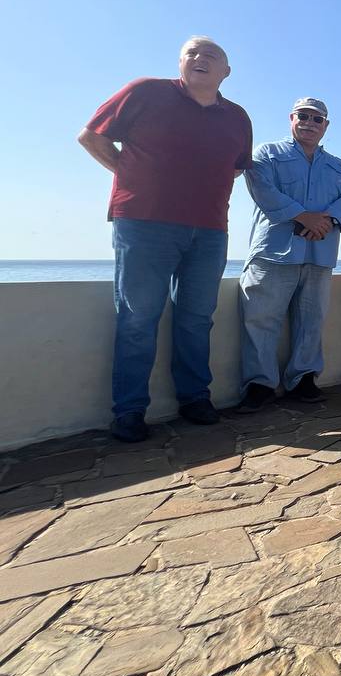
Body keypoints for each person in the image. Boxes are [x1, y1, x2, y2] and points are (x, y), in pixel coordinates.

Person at [78, 36, 253, 442]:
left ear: (226, 72)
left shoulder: (238, 117)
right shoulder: (146, 92)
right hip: (144, 223)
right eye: (192, 53)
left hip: (210, 230)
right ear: (179, 63)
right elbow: (91, 137)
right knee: (138, 316)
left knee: (197, 317)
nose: (200, 59)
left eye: (211, 55)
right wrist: (133, 175)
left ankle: (194, 398)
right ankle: (129, 411)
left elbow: (238, 168)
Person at [237, 98, 341, 412]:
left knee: (311, 320)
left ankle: (303, 378)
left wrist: (327, 221)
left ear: (325, 126)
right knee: (261, 320)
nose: (310, 123)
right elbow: (263, 190)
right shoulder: (266, 154)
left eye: (317, 119)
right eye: (303, 116)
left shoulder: (339, 166)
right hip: (274, 253)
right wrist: (304, 217)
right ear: (291, 118)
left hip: (320, 253)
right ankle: (259, 385)